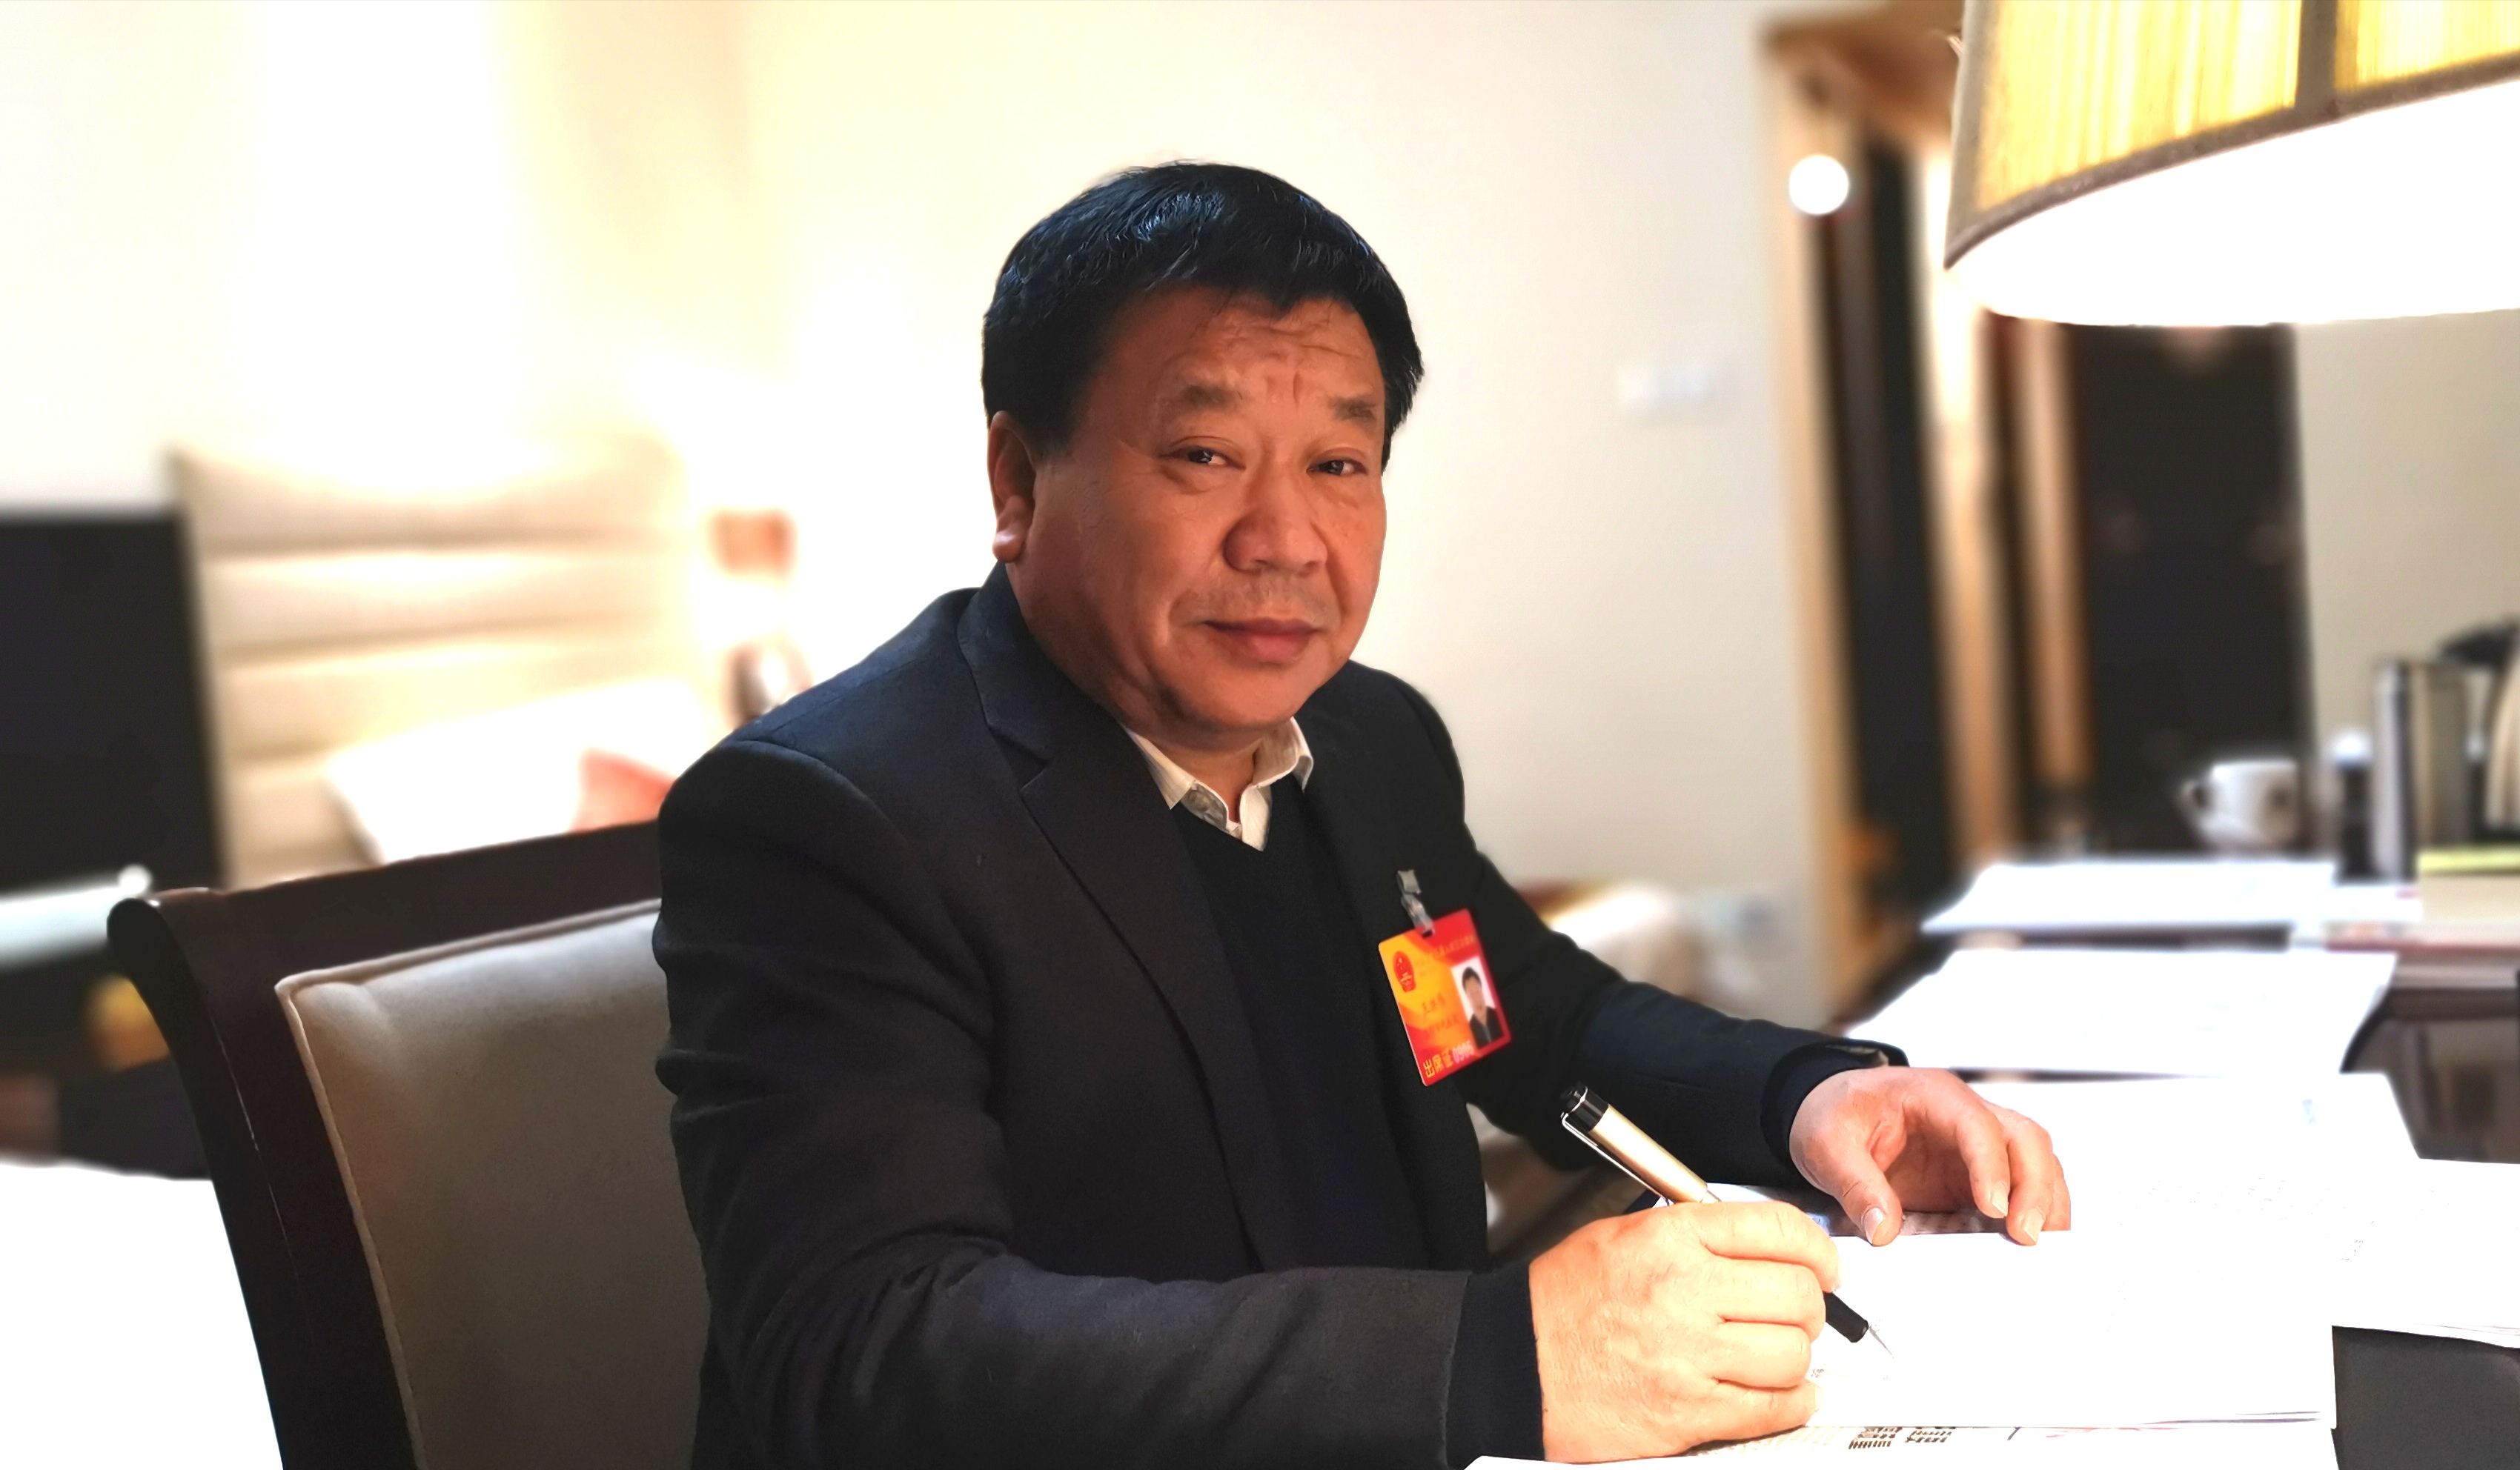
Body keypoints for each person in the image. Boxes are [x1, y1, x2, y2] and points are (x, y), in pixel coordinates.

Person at [654, 162, 2069, 1469]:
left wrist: (1807, 1096)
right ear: (1019, 482)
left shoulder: (1366, 738)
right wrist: (1498, 1359)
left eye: (1340, 464)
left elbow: (1525, 1020)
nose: (1285, 541)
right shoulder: (832, 815)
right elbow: (865, 1344)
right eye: (1204, 455)